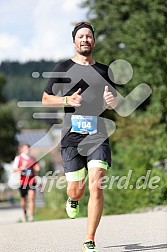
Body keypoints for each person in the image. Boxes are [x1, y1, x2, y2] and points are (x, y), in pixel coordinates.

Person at [42, 21, 117, 252]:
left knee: (97, 186)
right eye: (81, 36)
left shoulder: (105, 70)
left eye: (89, 36)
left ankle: (89, 239)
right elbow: (46, 98)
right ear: (74, 41)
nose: (85, 40)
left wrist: (113, 103)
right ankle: (73, 198)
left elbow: (113, 100)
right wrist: (67, 100)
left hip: (98, 134)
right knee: (77, 189)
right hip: (72, 138)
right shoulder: (63, 67)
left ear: (94, 40)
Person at [13, 143, 40, 222]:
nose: (27, 150)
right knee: (23, 200)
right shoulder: (19, 158)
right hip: (22, 182)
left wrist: (37, 168)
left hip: (31, 181)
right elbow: (14, 169)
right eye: (25, 149)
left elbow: (36, 167)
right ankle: (24, 214)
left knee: (31, 198)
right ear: (21, 149)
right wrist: (22, 168)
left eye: (28, 148)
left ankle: (31, 216)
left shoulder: (32, 159)